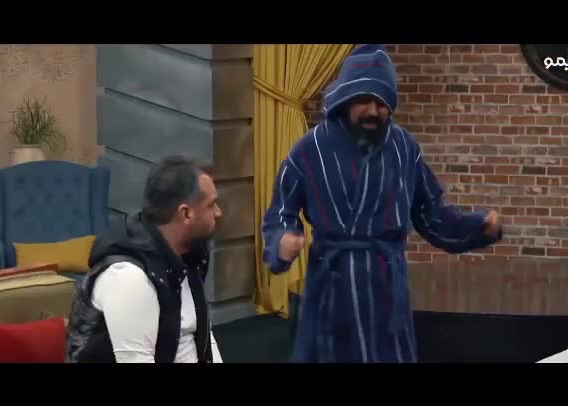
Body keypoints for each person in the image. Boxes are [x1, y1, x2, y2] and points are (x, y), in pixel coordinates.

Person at [262, 44, 503, 363]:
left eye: (382, 102)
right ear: (345, 98)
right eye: (364, 100)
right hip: (331, 291)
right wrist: (281, 242)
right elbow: (280, 213)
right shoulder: (309, 150)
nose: (373, 111)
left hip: (386, 291)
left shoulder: (404, 148)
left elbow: (432, 216)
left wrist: (478, 227)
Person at [66, 156, 224, 363]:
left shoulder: (189, 254)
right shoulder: (128, 278)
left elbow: (200, 338)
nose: (219, 212)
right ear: (186, 214)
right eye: (211, 205)